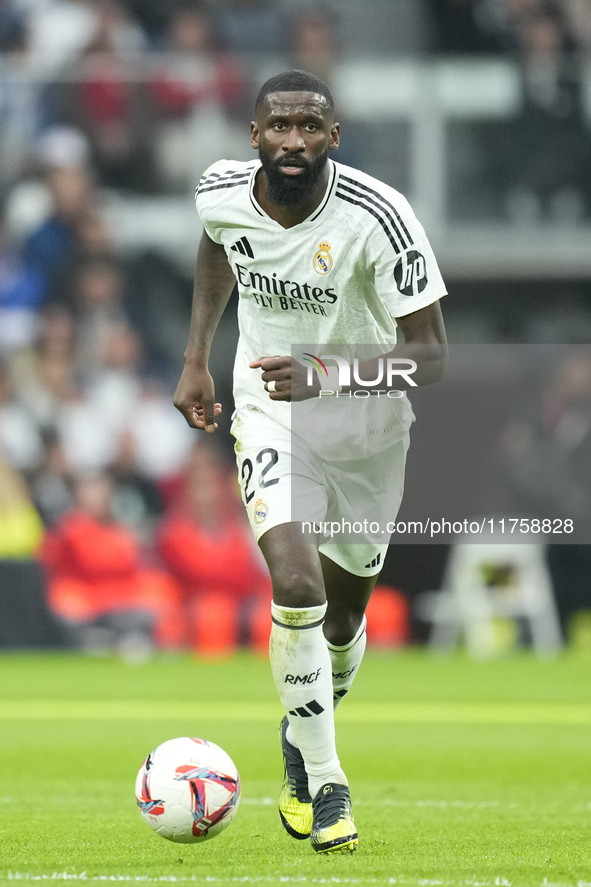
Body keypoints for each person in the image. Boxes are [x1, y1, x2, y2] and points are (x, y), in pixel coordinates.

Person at [173, 70, 448, 854]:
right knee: (294, 584)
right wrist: (197, 354)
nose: (292, 140)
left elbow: (431, 356)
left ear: (333, 136)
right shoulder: (220, 191)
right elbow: (220, 244)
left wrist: (329, 374)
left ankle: (304, 724)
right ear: (252, 134)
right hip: (269, 405)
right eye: (278, 126)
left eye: (308, 127)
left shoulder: (380, 217)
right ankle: (324, 781)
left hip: (366, 426)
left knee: (344, 615)